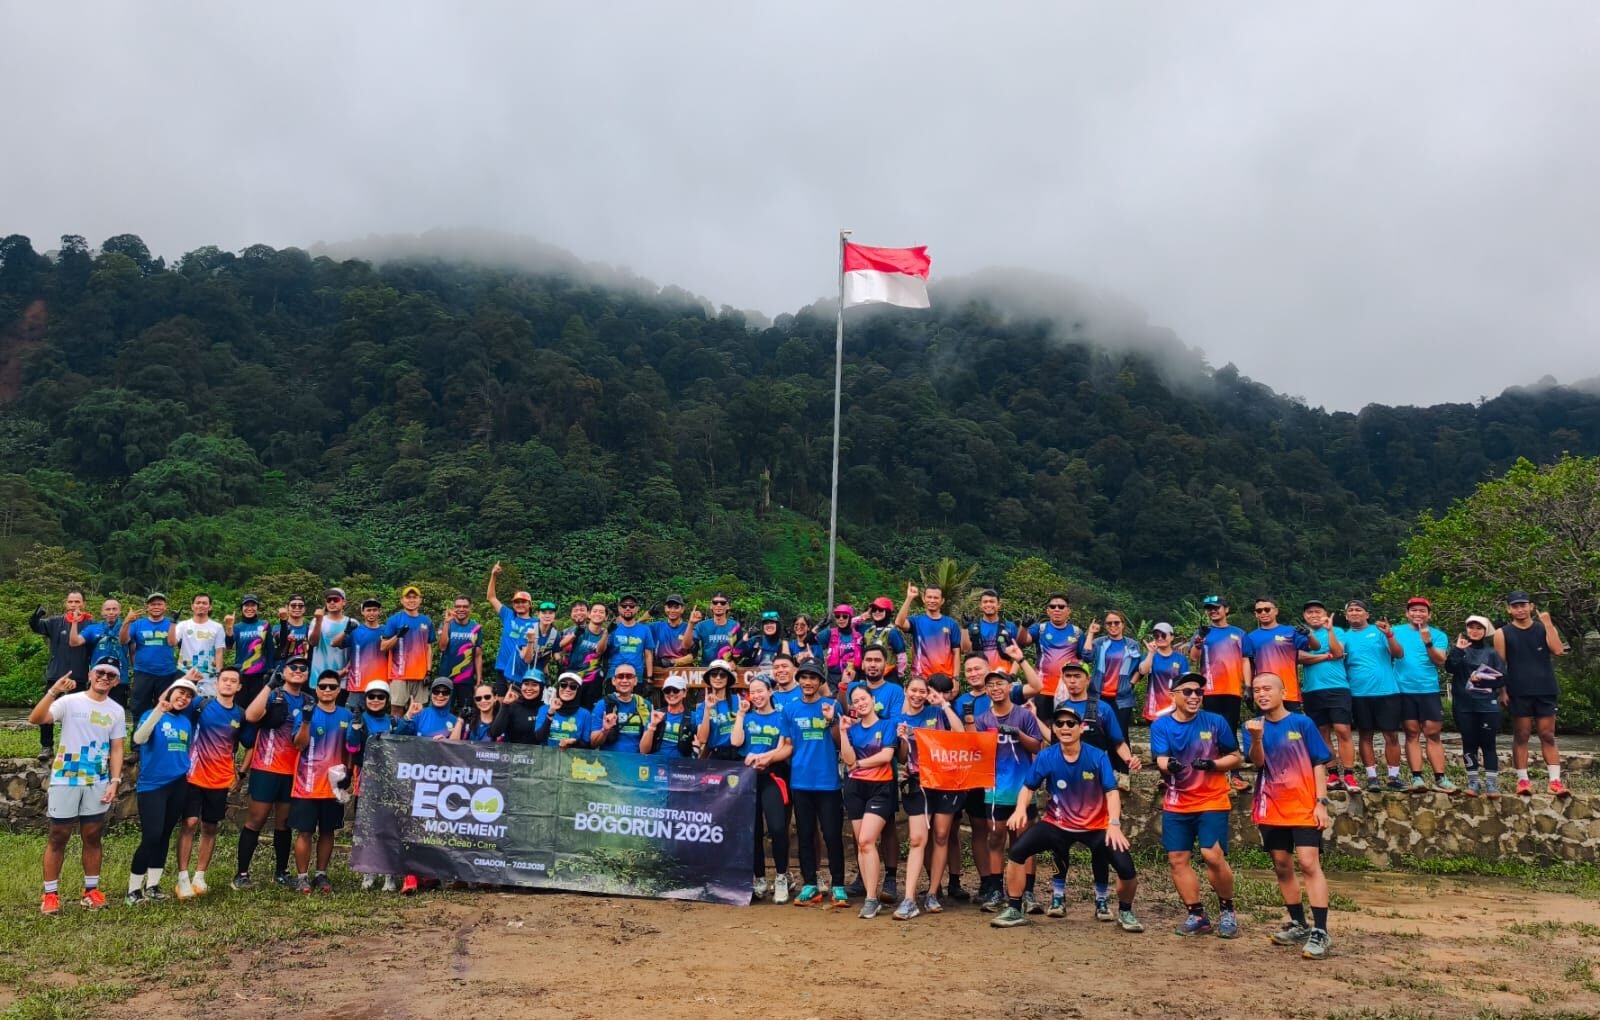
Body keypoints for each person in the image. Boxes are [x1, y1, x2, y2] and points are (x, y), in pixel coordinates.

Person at [989, 704, 1142, 933]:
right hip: (1057, 824)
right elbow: (1028, 787)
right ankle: (1014, 908)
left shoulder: (1098, 756)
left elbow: (1111, 792)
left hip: (1097, 826)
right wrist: (1020, 809)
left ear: (1081, 728)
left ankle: (1126, 911)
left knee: (1127, 869)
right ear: (1054, 729)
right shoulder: (1046, 756)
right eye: (1059, 723)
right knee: (1017, 852)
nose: (1065, 727)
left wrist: (1114, 824)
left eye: (1071, 723)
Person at [1243, 673, 1334, 961]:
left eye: (1267, 688)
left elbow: (1319, 762)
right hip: (1271, 806)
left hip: (1304, 805)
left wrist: (1321, 803)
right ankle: (1298, 923)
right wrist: (1256, 738)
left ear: (1283, 692)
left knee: (1309, 863)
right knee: (1282, 865)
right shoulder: (1251, 726)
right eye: (1257, 690)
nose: (1261, 694)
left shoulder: (1302, 723)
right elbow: (1257, 763)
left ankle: (1321, 931)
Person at [1150, 673, 1244, 938]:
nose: (1194, 696)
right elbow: (1160, 758)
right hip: (1177, 800)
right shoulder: (1161, 725)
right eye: (1188, 691)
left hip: (1212, 798)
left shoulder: (1215, 722)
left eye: (1199, 692)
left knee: (1212, 855)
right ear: (1174, 695)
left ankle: (1227, 910)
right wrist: (1171, 766)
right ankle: (1197, 914)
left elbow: (1235, 756)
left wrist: (1213, 765)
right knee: (1177, 859)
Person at [30, 659, 125, 914]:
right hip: (66, 776)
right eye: (101, 672)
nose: (105, 677)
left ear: (116, 681)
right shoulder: (70, 701)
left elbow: (117, 748)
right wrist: (53, 692)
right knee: (58, 835)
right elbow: (36, 718)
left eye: (111, 675)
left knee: (93, 835)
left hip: (97, 779)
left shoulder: (116, 710)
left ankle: (90, 891)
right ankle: (50, 894)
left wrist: (115, 781)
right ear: (92, 675)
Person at [233, 656, 310, 890]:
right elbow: (251, 716)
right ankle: (242, 873)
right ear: (283, 671)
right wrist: (269, 685)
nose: (297, 671)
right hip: (266, 767)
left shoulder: (308, 700)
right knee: (256, 819)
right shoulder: (274, 694)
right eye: (292, 667)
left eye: (302, 668)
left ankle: (281, 872)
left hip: (292, 770)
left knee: (283, 823)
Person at [891, 673, 964, 919]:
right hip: (917, 783)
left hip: (945, 781)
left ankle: (933, 892)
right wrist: (902, 739)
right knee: (917, 839)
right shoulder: (898, 719)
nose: (918, 695)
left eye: (923, 691)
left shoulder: (937, 712)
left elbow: (959, 731)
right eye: (914, 690)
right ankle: (909, 898)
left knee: (942, 836)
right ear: (906, 691)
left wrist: (943, 703)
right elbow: (902, 758)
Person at [975, 669, 1045, 913]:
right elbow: (977, 752)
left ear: (1009, 686)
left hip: (1022, 787)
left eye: (999, 683)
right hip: (994, 790)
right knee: (995, 838)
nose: (995, 688)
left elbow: (1037, 745)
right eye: (990, 685)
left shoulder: (1023, 715)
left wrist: (1017, 733)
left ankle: (1027, 892)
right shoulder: (983, 719)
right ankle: (996, 891)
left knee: (1024, 840)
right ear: (986, 691)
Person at [175, 666, 246, 898]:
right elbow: (172, 699)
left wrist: (241, 774)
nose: (227, 684)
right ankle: (182, 877)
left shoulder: (240, 715)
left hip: (220, 779)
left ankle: (200, 875)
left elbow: (248, 745)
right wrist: (186, 678)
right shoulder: (200, 704)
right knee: (190, 823)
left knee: (210, 827)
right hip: (194, 775)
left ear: (239, 687)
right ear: (216, 684)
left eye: (232, 681)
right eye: (224, 679)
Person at [128, 675, 200, 903]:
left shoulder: (186, 723)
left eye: (189, 696)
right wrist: (159, 709)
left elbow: (184, 751)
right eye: (181, 693)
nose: (184, 698)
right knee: (152, 835)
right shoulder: (152, 715)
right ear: (169, 693)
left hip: (178, 784)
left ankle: (153, 885)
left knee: (165, 835)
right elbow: (139, 739)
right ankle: (133, 889)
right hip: (152, 785)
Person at [783, 662, 848, 908]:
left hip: (828, 782)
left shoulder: (832, 706)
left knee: (832, 835)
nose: (808, 682)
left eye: (813, 678)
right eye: (804, 678)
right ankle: (809, 884)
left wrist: (832, 721)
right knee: (805, 834)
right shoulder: (790, 709)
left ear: (821, 682)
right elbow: (788, 744)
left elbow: (842, 742)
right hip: (800, 782)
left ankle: (838, 885)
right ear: (798, 681)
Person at [1494, 592, 1570, 797]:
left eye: (1523, 605)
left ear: (1531, 606)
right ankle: (1523, 780)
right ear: (1509, 609)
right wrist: (1502, 691)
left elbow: (1558, 650)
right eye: (1515, 606)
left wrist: (1547, 623)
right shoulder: (1503, 633)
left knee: (1547, 734)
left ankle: (1555, 781)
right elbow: (1500, 665)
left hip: (1545, 688)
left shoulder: (1541, 628)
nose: (1520, 609)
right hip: (1519, 690)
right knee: (1522, 734)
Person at [290, 669, 353, 893]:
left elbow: (351, 748)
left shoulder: (347, 715)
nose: (327, 690)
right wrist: (306, 721)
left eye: (332, 687)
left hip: (334, 786)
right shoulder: (305, 712)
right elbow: (298, 744)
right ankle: (302, 877)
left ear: (338, 690)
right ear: (316, 689)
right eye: (323, 686)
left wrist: (350, 773)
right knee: (305, 832)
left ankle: (321, 874)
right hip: (307, 783)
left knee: (328, 831)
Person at [842, 685, 898, 918]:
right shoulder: (853, 730)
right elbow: (847, 759)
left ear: (872, 699)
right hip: (855, 788)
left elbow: (886, 756)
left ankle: (872, 898)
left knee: (867, 840)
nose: (860, 703)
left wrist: (859, 765)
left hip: (881, 788)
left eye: (864, 698)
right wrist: (843, 732)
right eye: (855, 701)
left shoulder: (887, 725)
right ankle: (870, 895)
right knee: (862, 844)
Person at [736, 675, 792, 902]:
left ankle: (780, 877)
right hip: (749, 779)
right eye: (753, 692)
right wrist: (740, 715)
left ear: (771, 692)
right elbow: (736, 742)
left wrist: (763, 757)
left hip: (773, 776)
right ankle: (758, 878)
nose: (757, 696)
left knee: (778, 828)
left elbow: (782, 748)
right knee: (753, 831)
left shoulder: (781, 717)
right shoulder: (747, 718)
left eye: (761, 691)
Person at [1341, 600, 1406, 793]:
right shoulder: (1343, 637)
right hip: (1358, 692)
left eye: (1358, 610)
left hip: (1387, 690)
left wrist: (1389, 634)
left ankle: (1393, 776)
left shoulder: (1380, 632)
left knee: (1391, 735)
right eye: (1350, 610)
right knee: (1365, 734)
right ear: (1346, 616)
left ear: (1367, 614)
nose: (1354, 613)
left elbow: (1399, 653)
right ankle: (1372, 777)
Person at [1392, 597, 1454, 792]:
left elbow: (1440, 660)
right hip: (1403, 689)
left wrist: (1427, 643)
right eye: (1414, 610)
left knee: (1433, 732)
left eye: (1422, 611)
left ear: (1429, 614)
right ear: (1407, 613)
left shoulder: (1438, 635)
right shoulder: (1395, 632)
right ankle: (1417, 777)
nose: (1418, 614)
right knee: (1411, 733)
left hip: (1429, 689)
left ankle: (1440, 778)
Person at [1298, 601, 1357, 793]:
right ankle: (1332, 772)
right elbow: (1301, 658)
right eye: (1309, 612)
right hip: (1311, 689)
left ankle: (1348, 773)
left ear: (1325, 614)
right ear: (1305, 616)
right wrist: (1326, 656)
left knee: (1342, 729)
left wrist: (1329, 631)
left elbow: (1339, 652)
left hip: (1337, 687)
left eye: (1318, 611)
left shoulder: (1338, 631)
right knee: (1321, 732)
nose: (1313, 615)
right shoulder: (1301, 634)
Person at [29, 590, 95, 761]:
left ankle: (74, 747)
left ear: (84, 604)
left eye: (77, 602)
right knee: (46, 711)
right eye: (71, 601)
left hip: (78, 677)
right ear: (66, 604)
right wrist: (35, 617)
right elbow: (37, 627)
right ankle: (46, 747)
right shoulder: (55, 622)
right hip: (55, 676)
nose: (74, 605)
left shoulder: (90, 624)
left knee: (77, 715)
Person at [1447, 615, 1508, 798]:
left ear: (1485, 631)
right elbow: (1450, 668)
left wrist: (1482, 680)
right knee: (1469, 743)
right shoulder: (1459, 650)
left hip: (1486, 705)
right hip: (1464, 705)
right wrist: (1457, 650)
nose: (1474, 631)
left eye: (1478, 628)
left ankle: (1491, 784)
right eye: (1471, 627)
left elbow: (1502, 678)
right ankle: (1473, 782)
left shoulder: (1491, 653)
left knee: (1489, 744)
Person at [346, 681, 397, 889]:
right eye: (371, 696)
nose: (375, 700)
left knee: (387, 826)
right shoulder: (360, 719)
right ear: (365, 699)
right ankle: (368, 870)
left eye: (380, 697)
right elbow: (351, 745)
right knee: (366, 827)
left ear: (386, 700)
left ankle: (388, 873)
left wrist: (409, 720)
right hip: (365, 779)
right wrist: (356, 726)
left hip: (388, 780)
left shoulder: (392, 721)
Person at [1190, 596, 1251, 743]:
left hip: (1233, 688)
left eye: (1216, 608)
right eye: (1209, 609)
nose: (1213, 611)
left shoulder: (1239, 633)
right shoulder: (1202, 632)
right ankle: (1214, 760)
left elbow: (1245, 660)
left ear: (1226, 609)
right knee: (1212, 727)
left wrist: (1248, 686)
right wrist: (1199, 642)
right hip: (1210, 688)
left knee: (1230, 725)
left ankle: (1232, 759)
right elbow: (1194, 657)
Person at [1242, 598, 1319, 713]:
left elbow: (1315, 647)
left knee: (1292, 730)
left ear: (1276, 611)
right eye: (1259, 611)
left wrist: (1309, 635)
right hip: (1264, 694)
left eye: (1267, 609)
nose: (1263, 613)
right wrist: (1248, 687)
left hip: (1289, 692)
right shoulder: (1250, 637)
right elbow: (1249, 664)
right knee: (1266, 730)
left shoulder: (1291, 631)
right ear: (1255, 614)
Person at [1021, 593, 1086, 719]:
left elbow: (1082, 659)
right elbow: (1023, 641)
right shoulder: (1040, 629)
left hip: (1067, 690)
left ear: (1068, 611)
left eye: (1061, 607)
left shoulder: (1077, 632)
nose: (1057, 609)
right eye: (1053, 606)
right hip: (1042, 688)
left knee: (1066, 724)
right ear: (1048, 611)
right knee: (1041, 726)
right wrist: (1024, 627)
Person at [1082, 610, 1145, 737]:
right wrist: (1090, 634)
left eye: (1116, 622)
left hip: (1122, 698)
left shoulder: (1132, 645)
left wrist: (1131, 684)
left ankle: (1121, 758)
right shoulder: (1099, 643)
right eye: (1109, 623)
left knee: (1120, 735)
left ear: (1123, 624)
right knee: (1095, 734)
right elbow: (1086, 656)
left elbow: (1140, 668)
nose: (1113, 626)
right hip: (1098, 695)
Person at [122, 592, 179, 726]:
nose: (156, 607)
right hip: (143, 672)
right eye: (153, 604)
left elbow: (174, 643)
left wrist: (174, 623)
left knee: (164, 709)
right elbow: (124, 640)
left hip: (167, 673)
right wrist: (126, 622)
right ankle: (137, 745)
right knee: (139, 709)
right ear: (147, 606)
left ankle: (159, 742)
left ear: (165, 606)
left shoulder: (173, 624)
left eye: (159, 604)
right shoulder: (137, 624)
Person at [896, 583, 966, 681]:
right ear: (924, 599)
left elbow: (956, 653)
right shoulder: (916, 621)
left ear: (942, 601)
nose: (932, 600)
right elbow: (899, 623)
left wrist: (955, 678)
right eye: (929, 597)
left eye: (936, 598)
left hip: (945, 678)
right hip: (921, 678)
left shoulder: (951, 624)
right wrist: (909, 598)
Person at [69, 598, 129, 709]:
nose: (111, 612)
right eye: (107, 609)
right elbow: (74, 642)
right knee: (93, 712)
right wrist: (74, 622)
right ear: (102, 612)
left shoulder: (128, 627)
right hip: (97, 678)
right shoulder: (93, 628)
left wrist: (127, 623)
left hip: (119, 679)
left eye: (114, 609)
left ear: (120, 611)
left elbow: (131, 647)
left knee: (116, 713)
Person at [383, 586, 434, 713]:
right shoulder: (394, 620)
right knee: (396, 710)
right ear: (402, 600)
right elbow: (383, 646)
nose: (411, 600)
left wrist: (428, 671)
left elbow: (428, 648)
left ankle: (417, 734)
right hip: (399, 673)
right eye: (408, 597)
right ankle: (395, 733)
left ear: (420, 600)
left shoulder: (426, 621)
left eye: (414, 597)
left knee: (419, 710)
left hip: (420, 675)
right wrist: (398, 636)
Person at [486, 563, 537, 683]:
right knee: (502, 700)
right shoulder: (508, 615)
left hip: (522, 669)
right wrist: (493, 576)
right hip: (503, 667)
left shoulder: (536, 622)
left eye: (523, 602)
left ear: (530, 604)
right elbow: (491, 597)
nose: (520, 604)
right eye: (517, 602)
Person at [221, 595, 275, 706]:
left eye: (253, 605)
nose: (249, 608)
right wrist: (229, 628)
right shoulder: (237, 627)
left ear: (257, 608)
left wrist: (271, 669)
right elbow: (229, 646)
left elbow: (270, 649)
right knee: (240, 705)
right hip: (242, 673)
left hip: (260, 674)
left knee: (257, 705)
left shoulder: (264, 625)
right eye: (246, 605)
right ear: (242, 608)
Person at [171, 593, 226, 698]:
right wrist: (173, 622)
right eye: (198, 603)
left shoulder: (217, 627)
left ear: (210, 607)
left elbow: (219, 653)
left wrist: (220, 676)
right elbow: (172, 642)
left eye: (204, 603)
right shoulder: (182, 625)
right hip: (185, 671)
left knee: (206, 706)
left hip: (208, 674)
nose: (201, 605)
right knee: (181, 703)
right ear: (192, 606)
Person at [338, 598, 389, 707]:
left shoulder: (386, 630)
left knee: (375, 718)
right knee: (353, 718)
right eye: (368, 610)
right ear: (363, 612)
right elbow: (337, 644)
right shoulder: (355, 631)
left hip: (379, 683)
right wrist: (346, 631)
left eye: (375, 610)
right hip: (357, 683)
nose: (371, 613)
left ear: (379, 611)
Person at [590, 664, 652, 753]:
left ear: (635, 681)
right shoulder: (603, 704)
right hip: (610, 761)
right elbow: (593, 743)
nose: (624, 680)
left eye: (629, 676)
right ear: (613, 681)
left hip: (636, 761)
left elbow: (648, 747)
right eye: (620, 676)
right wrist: (605, 730)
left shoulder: (645, 705)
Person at [694, 659, 743, 759]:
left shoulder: (738, 701)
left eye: (723, 675)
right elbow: (702, 739)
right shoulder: (702, 707)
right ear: (709, 678)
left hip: (738, 754)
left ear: (728, 679)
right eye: (714, 674)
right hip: (715, 755)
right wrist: (707, 710)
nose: (718, 678)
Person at [307, 588, 353, 695]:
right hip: (319, 676)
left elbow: (357, 650)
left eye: (335, 599)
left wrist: (346, 670)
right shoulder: (316, 621)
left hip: (342, 678)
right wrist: (319, 621)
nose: (332, 602)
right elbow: (313, 642)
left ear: (344, 602)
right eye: (329, 600)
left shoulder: (351, 623)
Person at [1137, 622, 1186, 721]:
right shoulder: (1151, 655)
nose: (1160, 638)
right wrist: (1151, 653)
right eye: (1156, 636)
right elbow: (1143, 671)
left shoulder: (1180, 658)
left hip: (1174, 706)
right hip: (1154, 707)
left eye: (1163, 635)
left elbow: (1185, 682)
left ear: (1172, 637)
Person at [965, 588, 1019, 673]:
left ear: (999, 604)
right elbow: (966, 650)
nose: (988, 604)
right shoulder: (973, 626)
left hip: (1004, 675)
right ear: (980, 605)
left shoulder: (1009, 626)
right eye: (985, 602)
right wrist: (965, 628)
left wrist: (1012, 675)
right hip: (981, 675)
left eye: (992, 601)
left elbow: (1018, 652)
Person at [640, 675, 696, 756]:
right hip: (657, 764)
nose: (671, 693)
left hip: (681, 766)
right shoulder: (656, 714)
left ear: (684, 693)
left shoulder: (693, 717)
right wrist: (652, 726)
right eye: (667, 690)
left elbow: (702, 741)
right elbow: (643, 750)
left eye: (676, 690)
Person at [567, 602, 610, 704]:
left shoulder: (607, 634)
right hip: (573, 676)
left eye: (601, 612)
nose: (598, 614)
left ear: (606, 617)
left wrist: (607, 633)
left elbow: (600, 651)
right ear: (589, 615)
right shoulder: (579, 630)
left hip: (593, 680)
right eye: (595, 611)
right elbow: (560, 646)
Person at [487, 672, 547, 746]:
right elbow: (495, 732)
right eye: (526, 684)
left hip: (539, 755)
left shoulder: (545, 709)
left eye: (534, 685)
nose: (529, 688)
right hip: (514, 755)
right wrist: (505, 704)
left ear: (541, 688)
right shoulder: (512, 706)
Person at [607, 595, 655, 683]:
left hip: (636, 675)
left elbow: (648, 655)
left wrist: (649, 677)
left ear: (637, 609)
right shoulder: (612, 628)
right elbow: (604, 649)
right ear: (619, 608)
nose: (628, 608)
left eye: (631, 606)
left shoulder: (645, 629)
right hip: (614, 674)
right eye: (624, 606)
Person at [538, 672, 592, 748]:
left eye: (573, 686)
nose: (567, 689)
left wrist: (573, 743)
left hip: (573, 758)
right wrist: (551, 713)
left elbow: (586, 743)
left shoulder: (585, 714)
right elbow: (539, 738)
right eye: (563, 685)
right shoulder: (544, 709)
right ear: (558, 688)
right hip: (547, 757)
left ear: (578, 691)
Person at [859, 597, 908, 679]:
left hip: (887, 676)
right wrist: (862, 617)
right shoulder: (868, 630)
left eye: (881, 610)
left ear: (888, 612)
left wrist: (898, 675)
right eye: (874, 609)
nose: (877, 612)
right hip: (869, 675)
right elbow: (849, 625)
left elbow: (902, 656)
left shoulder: (893, 632)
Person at [815, 605, 865, 685]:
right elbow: (811, 641)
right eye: (838, 616)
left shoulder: (859, 636)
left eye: (845, 616)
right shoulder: (829, 633)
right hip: (834, 679)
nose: (841, 619)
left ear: (850, 618)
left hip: (853, 677)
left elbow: (864, 657)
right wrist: (817, 627)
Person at [520, 599, 565, 680]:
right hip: (521, 670)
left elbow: (555, 652)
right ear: (538, 614)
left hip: (538, 673)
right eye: (544, 613)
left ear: (554, 615)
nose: (547, 616)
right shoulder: (529, 629)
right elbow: (527, 659)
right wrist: (530, 641)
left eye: (551, 613)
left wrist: (561, 664)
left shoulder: (555, 634)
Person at [694, 593, 743, 664]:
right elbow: (689, 646)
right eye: (715, 602)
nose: (719, 605)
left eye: (722, 603)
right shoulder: (702, 626)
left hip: (728, 669)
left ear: (728, 606)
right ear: (711, 606)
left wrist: (734, 662)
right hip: (707, 669)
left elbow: (740, 649)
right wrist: (691, 623)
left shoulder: (735, 626)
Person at [653, 594, 696, 670]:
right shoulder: (657, 627)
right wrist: (648, 614)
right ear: (665, 608)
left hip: (684, 670)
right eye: (669, 607)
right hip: (661, 670)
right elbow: (634, 627)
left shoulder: (689, 628)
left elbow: (693, 655)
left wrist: (672, 662)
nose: (672, 610)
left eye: (676, 607)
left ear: (682, 609)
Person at [273, 595, 313, 663]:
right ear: (287, 607)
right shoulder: (277, 628)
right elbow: (280, 639)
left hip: (302, 670)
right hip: (283, 669)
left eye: (300, 605)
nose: (297, 608)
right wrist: (283, 621)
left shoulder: (310, 629)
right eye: (293, 605)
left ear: (304, 609)